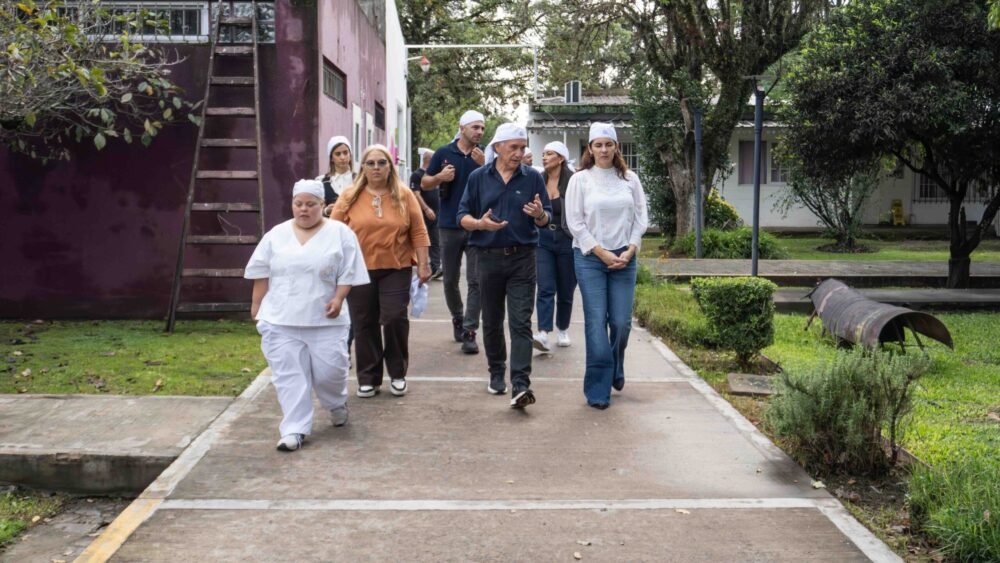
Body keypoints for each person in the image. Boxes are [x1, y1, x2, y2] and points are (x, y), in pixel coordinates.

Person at [245, 179, 370, 452]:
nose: (304, 209)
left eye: (310, 204)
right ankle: (294, 429)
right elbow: (261, 272)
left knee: (330, 373)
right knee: (289, 376)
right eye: (298, 204)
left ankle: (336, 402)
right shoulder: (276, 235)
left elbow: (348, 272)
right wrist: (256, 306)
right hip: (281, 318)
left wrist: (338, 298)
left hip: (325, 320)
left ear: (322, 205)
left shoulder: (340, 233)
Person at [458, 123, 551, 409]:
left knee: (521, 321)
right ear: (497, 147)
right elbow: (462, 216)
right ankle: (496, 371)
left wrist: (539, 215)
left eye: (523, 148)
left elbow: (546, 218)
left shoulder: (533, 178)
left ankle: (521, 384)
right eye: (514, 148)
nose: (519, 153)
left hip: (523, 258)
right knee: (493, 320)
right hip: (487, 258)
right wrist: (480, 224)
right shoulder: (478, 178)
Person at [332, 144, 431, 399]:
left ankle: (397, 374)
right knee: (364, 322)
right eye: (371, 163)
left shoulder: (404, 194)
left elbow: (418, 231)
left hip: (396, 267)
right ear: (363, 167)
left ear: (390, 166)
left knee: (395, 317)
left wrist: (423, 264)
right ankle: (368, 378)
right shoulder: (349, 195)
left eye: (382, 162)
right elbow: (333, 232)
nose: (376, 167)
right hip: (358, 269)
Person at [565, 123, 649, 410]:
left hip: (625, 257)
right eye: (598, 145)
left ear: (616, 147)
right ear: (590, 148)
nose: (603, 150)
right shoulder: (580, 180)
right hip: (591, 258)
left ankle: (614, 362)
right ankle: (598, 388)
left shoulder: (630, 179)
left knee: (621, 323)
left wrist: (631, 248)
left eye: (608, 144)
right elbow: (575, 222)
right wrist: (600, 252)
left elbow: (641, 217)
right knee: (596, 321)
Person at [423, 110, 486, 354]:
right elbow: (425, 183)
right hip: (449, 225)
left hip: (476, 225)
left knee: (476, 280)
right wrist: (440, 177)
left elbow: (498, 182)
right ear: (462, 128)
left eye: (482, 128)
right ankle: (458, 318)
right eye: (475, 127)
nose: (479, 132)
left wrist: (485, 166)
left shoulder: (484, 155)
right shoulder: (443, 153)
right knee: (449, 279)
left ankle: (470, 331)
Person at [532, 141, 577, 352]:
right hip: (543, 239)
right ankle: (543, 332)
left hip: (567, 238)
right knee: (545, 286)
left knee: (566, 288)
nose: (544, 157)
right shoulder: (538, 180)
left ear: (560, 158)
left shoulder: (573, 181)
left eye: (549, 154)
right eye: (543, 154)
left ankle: (563, 328)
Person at [410, 147, 442, 279]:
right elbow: (416, 194)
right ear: (429, 160)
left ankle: (436, 267)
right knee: (422, 240)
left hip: (436, 213)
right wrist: (426, 209)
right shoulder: (417, 175)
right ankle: (422, 265)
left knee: (435, 240)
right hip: (422, 213)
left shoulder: (434, 176)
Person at [317, 136, 355, 216]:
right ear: (331, 158)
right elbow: (315, 210)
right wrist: (326, 210)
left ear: (350, 155)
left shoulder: (359, 179)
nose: (342, 157)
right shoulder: (321, 181)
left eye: (345, 153)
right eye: (338, 154)